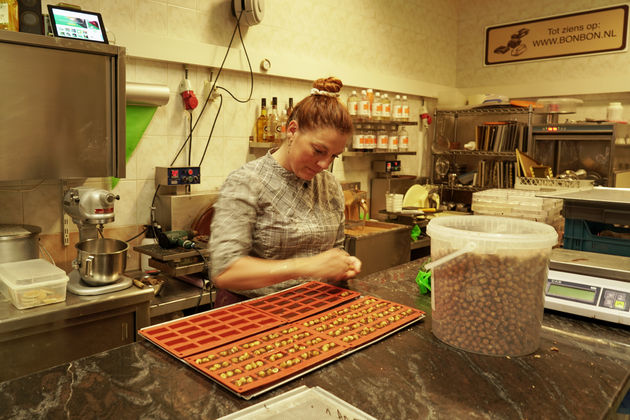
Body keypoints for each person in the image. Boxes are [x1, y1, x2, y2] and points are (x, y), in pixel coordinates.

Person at [209, 76, 362, 307]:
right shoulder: (247, 181)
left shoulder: (329, 186)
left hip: (314, 309)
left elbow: (335, 251)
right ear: (292, 130)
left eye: (334, 156)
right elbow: (226, 270)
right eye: (318, 150)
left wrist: (343, 264)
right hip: (253, 313)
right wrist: (307, 266)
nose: (324, 164)